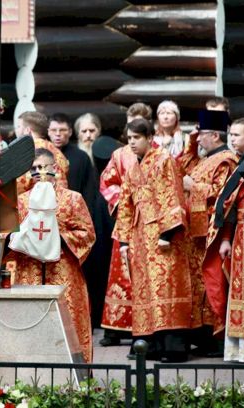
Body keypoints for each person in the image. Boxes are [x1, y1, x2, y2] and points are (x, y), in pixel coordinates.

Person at [3, 148, 95, 362]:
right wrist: (19, 239)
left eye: (44, 167)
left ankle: (74, 373)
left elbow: (87, 234)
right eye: (34, 168)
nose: (39, 172)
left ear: (55, 168)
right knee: (28, 323)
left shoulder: (72, 199)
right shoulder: (20, 201)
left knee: (68, 322)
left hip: (63, 271)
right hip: (28, 272)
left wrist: (56, 238)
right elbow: (5, 234)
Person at [114, 118, 192, 362]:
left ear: (149, 138)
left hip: (162, 235)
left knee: (166, 287)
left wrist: (167, 233)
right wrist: (124, 241)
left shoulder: (164, 160)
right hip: (139, 237)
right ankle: (151, 345)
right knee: (145, 290)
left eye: (137, 138)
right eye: (129, 138)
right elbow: (125, 205)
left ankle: (173, 348)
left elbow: (172, 195)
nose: (132, 143)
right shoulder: (132, 168)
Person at [181, 110, 238, 356]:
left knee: (212, 284)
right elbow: (181, 167)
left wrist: (193, 186)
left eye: (202, 134)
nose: (199, 138)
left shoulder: (226, 160)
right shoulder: (206, 158)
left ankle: (216, 338)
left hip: (213, 232)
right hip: (196, 234)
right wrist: (191, 144)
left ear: (215, 135)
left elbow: (224, 195)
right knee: (199, 287)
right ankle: (202, 337)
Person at [99, 104, 153, 346]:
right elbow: (107, 182)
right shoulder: (119, 155)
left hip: (149, 222)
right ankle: (115, 328)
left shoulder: (158, 154)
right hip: (126, 221)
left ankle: (145, 329)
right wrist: (124, 200)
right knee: (121, 275)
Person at [212, 150, 244, 362]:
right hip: (240, 238)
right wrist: (226, 238)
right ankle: (239, 351)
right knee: (239, 291)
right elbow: (229, 207)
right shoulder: (243, 169)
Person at [15, 111, 69, 193]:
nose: (16, 130)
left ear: (27, 130)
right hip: (60, 197)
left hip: (34, 198)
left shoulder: (26, 152)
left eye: (18, 126)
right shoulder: (57, 151)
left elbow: (19, 183)